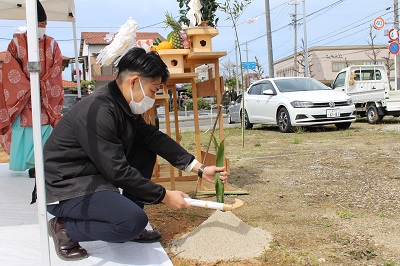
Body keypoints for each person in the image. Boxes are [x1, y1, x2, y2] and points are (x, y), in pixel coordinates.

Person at [44, 47, 228, 261]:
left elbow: (152, 137)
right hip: (68, 186)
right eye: (153, 89)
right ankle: (66, 228)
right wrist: (164, 196)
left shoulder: (122, 104)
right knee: (131, 222)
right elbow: (117, 171)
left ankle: (127, 214)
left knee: (145, 148)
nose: (154, 96)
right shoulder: (98, 111)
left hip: (95, 175)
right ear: (134, 82)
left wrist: (199, 168)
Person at [0, 0, 64, 178]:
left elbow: (56, 68)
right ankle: (28, 165)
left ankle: (40, 166)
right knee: (24, 133)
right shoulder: (16, 42)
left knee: (44, 131)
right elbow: (9, 68)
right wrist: (29, 86)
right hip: (22, 101)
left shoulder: (52, 44)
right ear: (29, 24)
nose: (42, 27)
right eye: (38, 24)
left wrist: (42, 85)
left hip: (45, 99)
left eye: (44, 24)